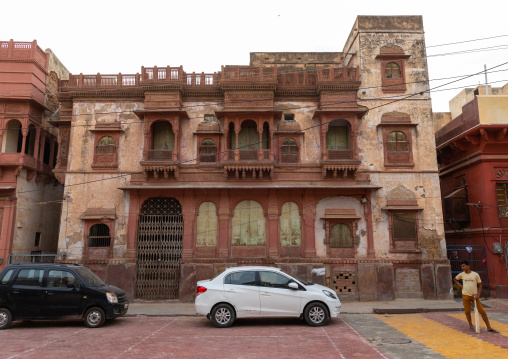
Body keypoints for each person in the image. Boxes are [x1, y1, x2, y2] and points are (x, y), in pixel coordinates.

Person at [453, 260, 499, 333]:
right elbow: (455, 279)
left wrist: (478, 294)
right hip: (465, 295)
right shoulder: (461, 274)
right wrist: (460, 285)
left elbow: (480, 284)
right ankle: (471, 326)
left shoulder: (475, 274)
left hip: (474, 296)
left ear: (468, 266)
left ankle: (489, 327)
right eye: (461, 266)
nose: (462, 267)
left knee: (482, 311)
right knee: (467, 312)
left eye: (464, 266)